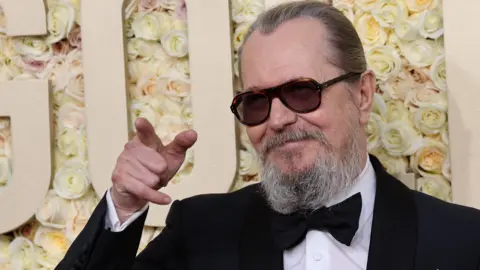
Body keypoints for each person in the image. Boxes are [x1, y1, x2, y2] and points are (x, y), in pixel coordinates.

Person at [56, 1, 480, 270]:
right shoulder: (201, 231)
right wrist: (123, 205)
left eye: (301, 91)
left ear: (363, 95)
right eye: (257, 102)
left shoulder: (463, 241)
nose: (277, 119)